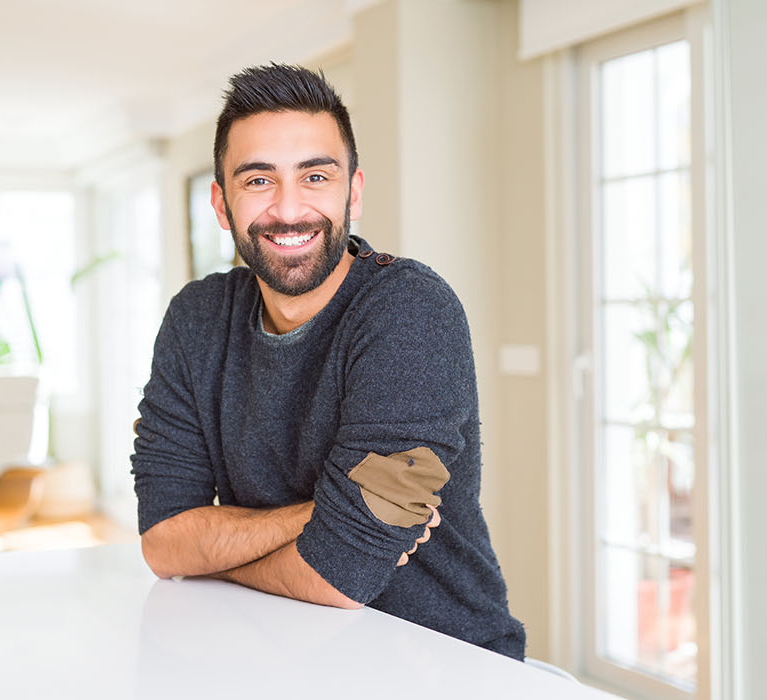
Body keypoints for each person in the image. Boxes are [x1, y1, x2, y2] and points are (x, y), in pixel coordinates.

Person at [131, 63, 526, 659]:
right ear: (221, 203)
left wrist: (211, 561)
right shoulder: (196, 318)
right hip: (274, 657)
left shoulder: (410, 311)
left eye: (315, 176)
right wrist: (322, 514)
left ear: (354, 192)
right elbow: (163, 543)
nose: (290, 210)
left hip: (443, 665)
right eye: (258, 181)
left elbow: (339, 577)